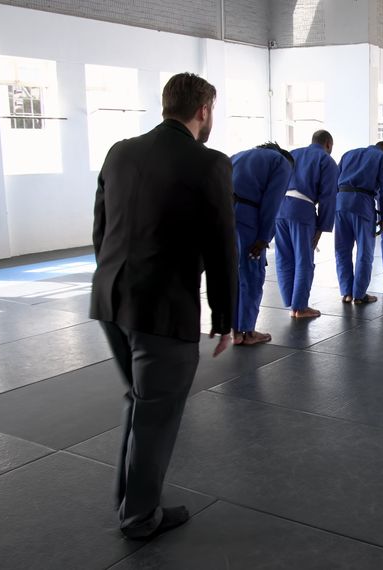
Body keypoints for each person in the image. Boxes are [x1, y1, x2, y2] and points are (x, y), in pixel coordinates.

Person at [90, 72, 236, 540]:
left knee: (141, 401)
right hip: (162, 312)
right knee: (156, 413)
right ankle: (139, 517)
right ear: (204, 110)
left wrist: (115, 280)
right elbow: (220, 249)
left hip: (111, 301)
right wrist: (226, 317)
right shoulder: (209, 162)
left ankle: (130, 500)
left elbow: (101, 228)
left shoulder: (120, 151)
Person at [230, 142, 294, 345]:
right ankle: (248, 332)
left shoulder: (237, 154)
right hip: (248, 220)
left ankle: (236, 332)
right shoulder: (281, 163)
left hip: (225, 217)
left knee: (233, 276)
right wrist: (264, 238)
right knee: (252, 275)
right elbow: (272, 202)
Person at [275, 130, 338, 318]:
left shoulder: (293, 154)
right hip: (301, 211)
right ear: (328, 144)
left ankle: (291, 302)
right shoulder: (326, 161)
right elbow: (328, 198)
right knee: (304, 259)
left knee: (284, 257)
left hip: (279, 207)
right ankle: (300, 307)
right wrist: (321, 227)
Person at [334, 141, 383, 304]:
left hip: (340, 203)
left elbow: (334, 181)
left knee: (342, 250)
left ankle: (346, 292)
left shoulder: (348, 154)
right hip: (362, 204)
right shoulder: (382, 159)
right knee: (364, 251)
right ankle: (359, 294)